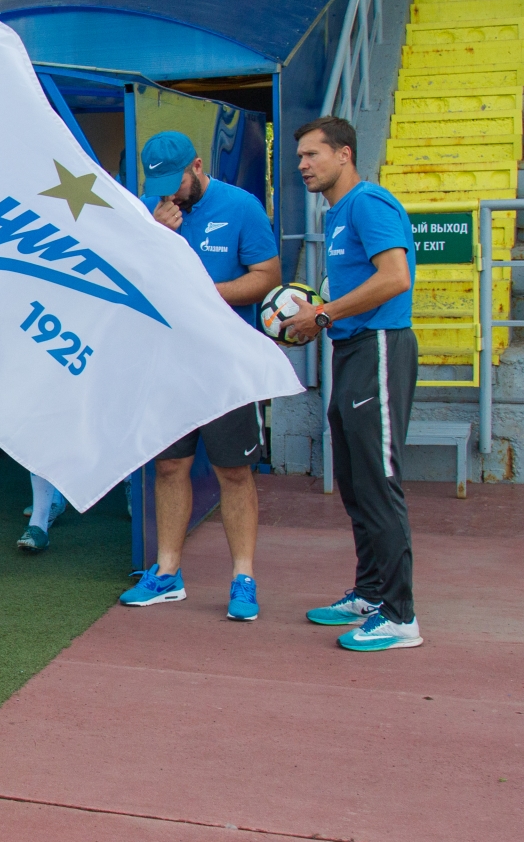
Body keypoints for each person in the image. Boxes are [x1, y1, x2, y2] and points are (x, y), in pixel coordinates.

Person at [117, 132, 280, 617]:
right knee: (168, 467)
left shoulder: (242, 206)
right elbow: (127, 281)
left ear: (198, 166)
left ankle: (243, 578)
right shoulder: (148, 210)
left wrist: (205, 294)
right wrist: (153, 233)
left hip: (226, 363)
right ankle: (166, 573)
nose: (170, 194)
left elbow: (267, 277)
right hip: (166, 362)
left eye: (177, 182)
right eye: (160, 184)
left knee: (234, 471)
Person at [281, 116, 422, 652]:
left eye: (312, 155)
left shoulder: (368, 203)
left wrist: (322, 314)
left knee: (378, 480)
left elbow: (395, 278)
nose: (302, 166)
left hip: (381, 348)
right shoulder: (339, 214)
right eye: (299, 158)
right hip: (352, 350)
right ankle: (370, 593)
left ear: (344, 155)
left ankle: (400, 614)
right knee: (357, 481)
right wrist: (322, 317)